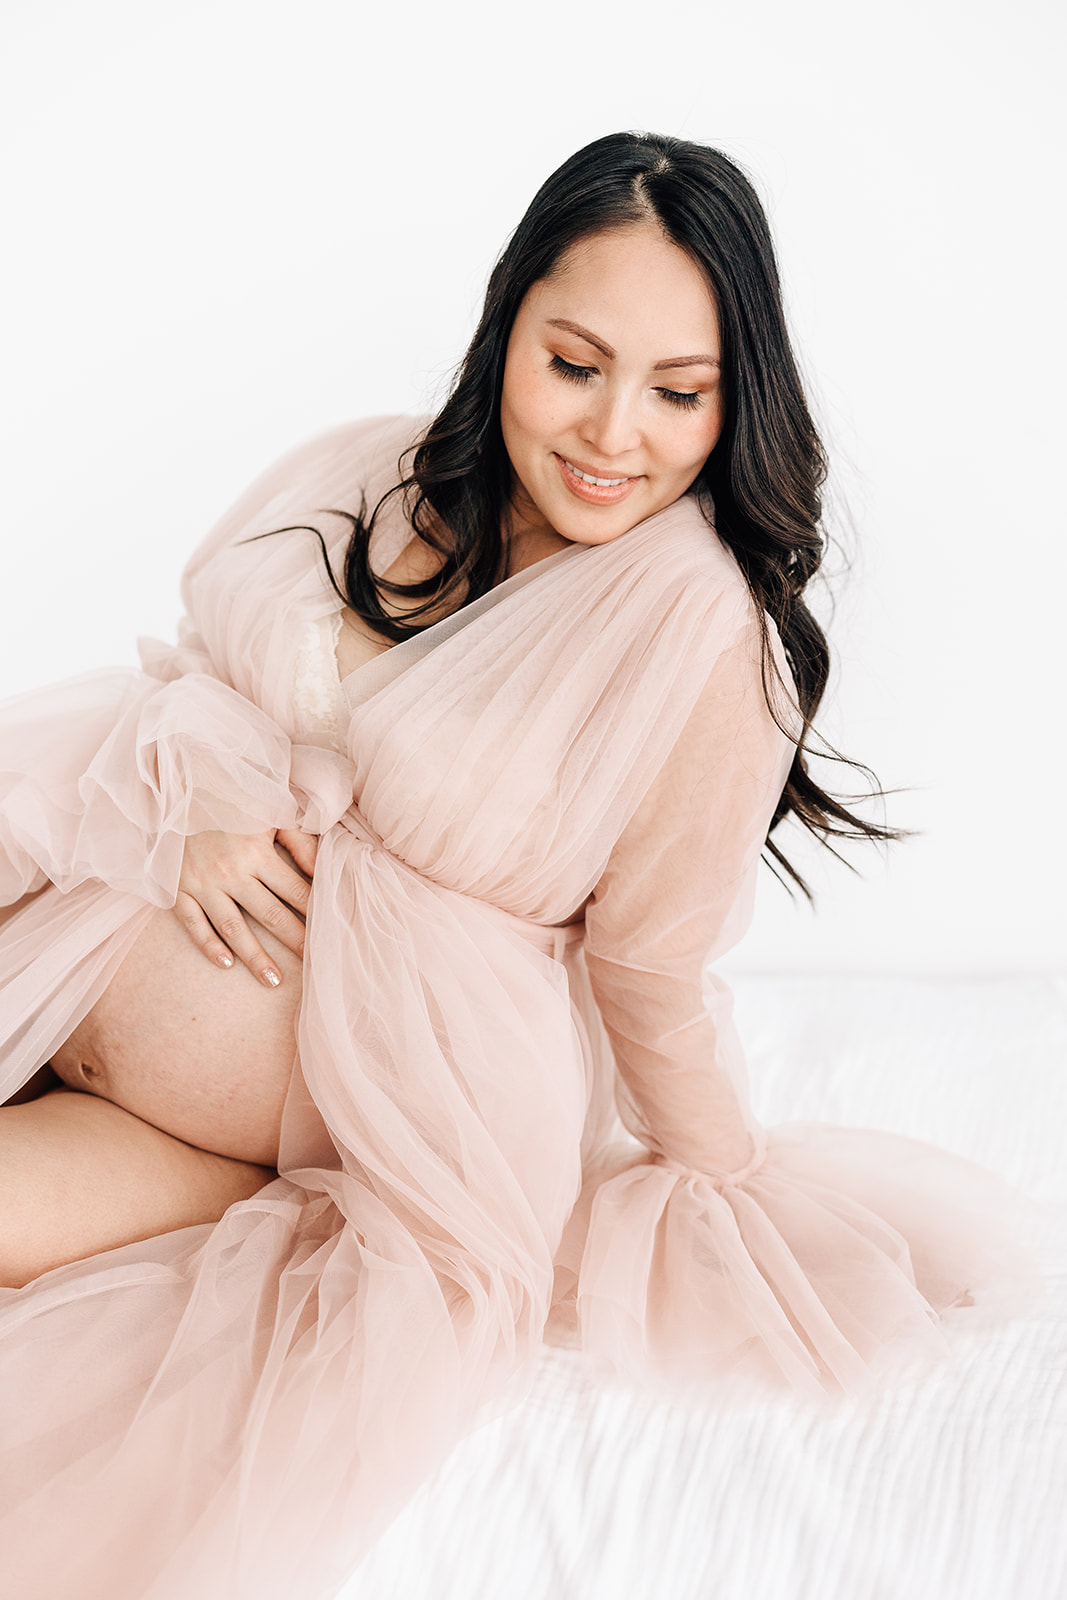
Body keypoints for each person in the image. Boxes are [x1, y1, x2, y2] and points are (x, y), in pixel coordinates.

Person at [0, 132, 1040, 1600]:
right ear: (507, 331)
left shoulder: (700, 636)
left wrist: (721, 1178)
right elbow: (193, 662)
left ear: (735, 403)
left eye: (680, 394)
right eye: (575, 363)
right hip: (72, 934)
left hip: (297, 1121)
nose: (617, 433)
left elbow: (651, 961)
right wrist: (211, 794)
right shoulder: (376, 472)